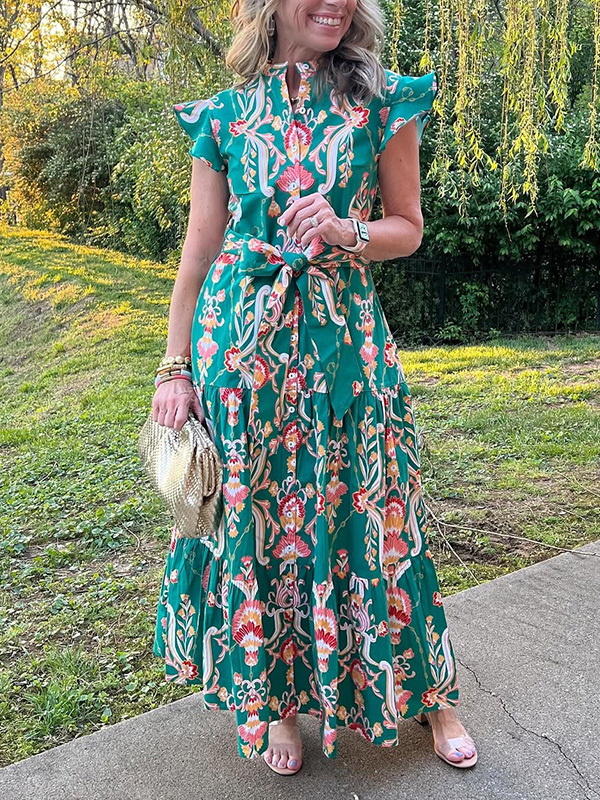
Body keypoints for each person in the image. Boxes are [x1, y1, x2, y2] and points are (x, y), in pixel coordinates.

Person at [152, 0, 477, 777]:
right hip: (242, 356)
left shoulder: (382, 101)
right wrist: (175, 367)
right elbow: (200, 250)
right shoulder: (224, 116)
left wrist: (345, 231)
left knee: (381, 515)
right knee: (261, 531)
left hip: (346, 351)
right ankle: (277, 705)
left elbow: (408, 226)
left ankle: (432, 695)